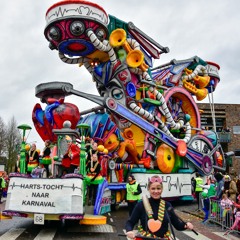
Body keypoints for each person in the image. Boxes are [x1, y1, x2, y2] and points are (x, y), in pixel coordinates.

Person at [125, 175, 194, 239]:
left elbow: (177, 225)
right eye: (153, 188)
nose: (156, 191)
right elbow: (130, 222)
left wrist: (186, 225)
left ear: (162, 189)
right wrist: (129, 230)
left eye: (158, 188)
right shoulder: (141, 205)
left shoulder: (167, 205)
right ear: (149, 189)